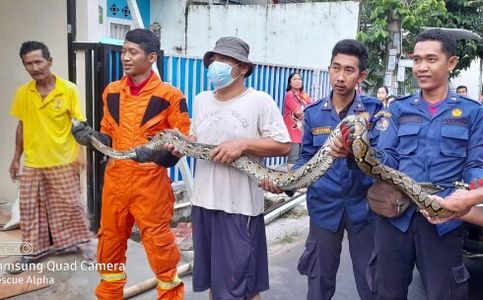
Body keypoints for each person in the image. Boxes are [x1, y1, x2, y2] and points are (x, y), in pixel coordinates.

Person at [167, 36, 290, 300]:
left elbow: (283, 145)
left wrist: (243, 144)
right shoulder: (201, 100)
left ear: (243, 68)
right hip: (203, 204)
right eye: (213, 59)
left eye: (223, 60)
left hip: (240, 208)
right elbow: (195, 139)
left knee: (238, 286)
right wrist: (181, 144)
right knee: (218, 284)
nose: (215, 65)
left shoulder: (260, 101)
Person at [365, 29, 483, 300]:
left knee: (445, 294)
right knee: (386, 292)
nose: (422, 67)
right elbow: (387, 158)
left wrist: (467, 197)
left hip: (445, 219)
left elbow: (475, 164)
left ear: (451, 63)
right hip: (395, 218)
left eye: (431, 59)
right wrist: (363, 155)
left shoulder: (471, 112)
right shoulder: (398, 109)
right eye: (417, 60)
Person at [72, 29, 189, 299]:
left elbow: (181, 144)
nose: (125, 57)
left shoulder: (171, 96)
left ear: (151, 57)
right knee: (109, 248)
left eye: (132, 52)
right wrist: (90, 138)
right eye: (124, 51)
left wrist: (157, 155)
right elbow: (108, 136)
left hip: (151, 186)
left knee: (162, 253)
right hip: (115, 183)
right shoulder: (111, 91)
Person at [263, 39, 382, 300]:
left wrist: (355, 154)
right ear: (328, 68)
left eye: (349, 70)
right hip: (324, 207)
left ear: (361, 75)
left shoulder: (374, 111)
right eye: (336, 68)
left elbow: (384, 158)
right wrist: (288, 180)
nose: (340, 77)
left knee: (372, 281)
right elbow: (305, 157)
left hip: (364, 209)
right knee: (319, 282)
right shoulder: (315, 112)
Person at [9, 41, 92, 271]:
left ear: (49, 61)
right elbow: (21, 125)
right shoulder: (23, 93)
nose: (34, 67)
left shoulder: (68, 90)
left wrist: (80, 154)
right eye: (28, 64)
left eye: (38, 61)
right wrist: (16, 157)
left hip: (64, 160)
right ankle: (31, 253)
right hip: (33, 162)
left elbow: (79, 126)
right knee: (29, 209)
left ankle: (84, 244)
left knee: (71, 207)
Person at [283, 72, 312, 168]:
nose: (297, 81)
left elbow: (313, 108)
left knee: (303, 158)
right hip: (293, 132)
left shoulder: (304, 95)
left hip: (304, 132)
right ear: (290, 83)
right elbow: (298, 112)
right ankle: (291, 181)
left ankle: (299, 181)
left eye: (299, 79)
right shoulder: (289, 95)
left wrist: (305, 110)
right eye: (294, 79)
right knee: (293, 158)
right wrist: (306, 110)